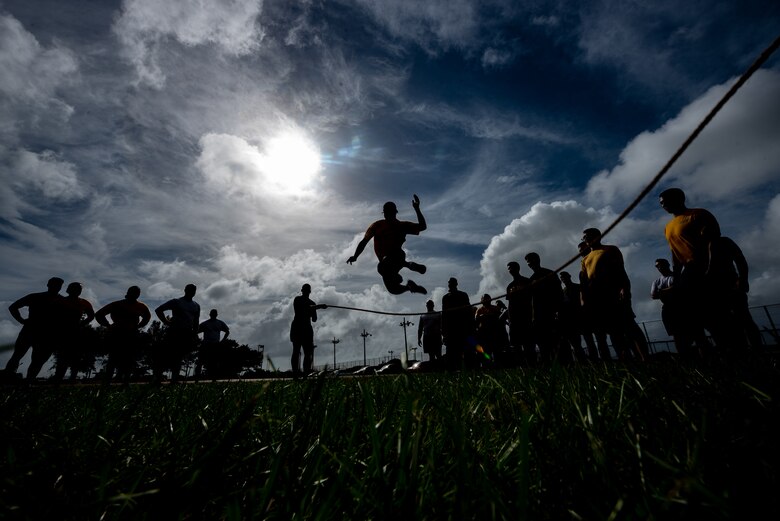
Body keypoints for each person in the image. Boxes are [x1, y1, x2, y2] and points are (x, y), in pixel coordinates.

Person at [659, 187, 729, 351]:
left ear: (679, 199)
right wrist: (677, 278)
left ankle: (732, 351)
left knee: (714, 314)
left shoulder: (698, 214)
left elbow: (714, 242)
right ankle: (706, 352)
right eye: (661, 203)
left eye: (665, 202)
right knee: (692, 316)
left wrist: (711, 268)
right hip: (687, 273)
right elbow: (675, 253)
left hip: (706, 267)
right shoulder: (668, 227)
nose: (663, 205)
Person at [347, 195, 428, 295]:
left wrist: (417, 209)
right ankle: (410, 286)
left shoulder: (390, 225)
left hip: (395, 257)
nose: (388, 216)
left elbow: (422, 227)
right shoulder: (381, 226)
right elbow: (364, 242)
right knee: (393, 289)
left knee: (382, 267)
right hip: (390, 264)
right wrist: (355, 256)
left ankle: (407, 265)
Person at [580, 229, 633, 361]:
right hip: (596, 298)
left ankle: (630, 357)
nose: (586, 239)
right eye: (584, 238)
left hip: (611, 293)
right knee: (601, 332)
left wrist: (624, 288)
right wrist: (584, 300)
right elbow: (585, 282)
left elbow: (621, 270)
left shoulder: (610, 250)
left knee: (621, 330)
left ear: (598, 236)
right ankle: (610, 361)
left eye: (589, 236)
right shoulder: (586, 258)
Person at [4, 277, 64, 380]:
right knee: (18, 356)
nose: (56, 287)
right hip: (30, 331)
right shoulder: (36, 297)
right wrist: (22, 320)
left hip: (45, 334)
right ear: (48, 285)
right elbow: (13, 307)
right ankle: (10, 379)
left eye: (58, 285)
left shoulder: (62, 301)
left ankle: (28, 382)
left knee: (37, 360)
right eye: (54, 285)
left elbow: (66, 319)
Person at [708, 236, 763, 349]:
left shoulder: (723, 241)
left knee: (744, 318)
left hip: (729, 282)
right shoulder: (696, 245)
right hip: (712, 288)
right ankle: (742, 351)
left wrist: (743, 279)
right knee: (728, 322)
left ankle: (757, 350)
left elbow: (740, 259)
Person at [95, 286, 152, 382]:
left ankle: (124, 381)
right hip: (117, 333)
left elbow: (147, 317)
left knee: (129, 358)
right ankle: (107, 381)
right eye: (133, 292)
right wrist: (108, 325)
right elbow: (99, 314)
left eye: (137, 293)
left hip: (131, 334)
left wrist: (139, 326)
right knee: (113, 357)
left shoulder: (141, 306)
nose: (135, 294)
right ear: (128, 292)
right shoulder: (117, 304)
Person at [154, 284, 200, 382]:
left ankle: (174, 379)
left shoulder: (196, 305)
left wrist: (194, 334)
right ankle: (157, 378)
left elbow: (196, 321)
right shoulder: (176, 302)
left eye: (193, 290)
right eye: (189, 290)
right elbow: (158, 310)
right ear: (185, 290)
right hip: (174, 332)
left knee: (179, 356)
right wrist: (166, 322)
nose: (191, 292)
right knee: (166, 354)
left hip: (186, 333)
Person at [525, 253, 564, 362]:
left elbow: (559, 292)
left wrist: (558, 309)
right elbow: (531, 300)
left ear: (538, 260)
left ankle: (562, 364)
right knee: (542, 342)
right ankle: (547, 365)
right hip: (538, 314)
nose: (530, 264)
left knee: (556, 340)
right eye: (528, 262)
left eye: (532, 261)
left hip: (551, 311)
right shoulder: (531, 280)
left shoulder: (549, 273)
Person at [52, 282, 95, 380]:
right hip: (61, 331)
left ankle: (67, 378)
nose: (76, 291)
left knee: (72, 355)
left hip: (75, 332)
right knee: (61, 355)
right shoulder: (60, 301)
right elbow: (52, 314)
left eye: (78, 289)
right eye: (74, 289)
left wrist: (81, 324)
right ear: (68, 290)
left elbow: (91, 315)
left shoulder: (84, 302)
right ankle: (58, 377)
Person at [290, 284, 327, 375]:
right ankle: (295, 373)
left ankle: (305, 374)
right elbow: (301, 309)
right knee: (296, 351)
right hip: (298, 328)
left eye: (307, 290)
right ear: (302, 291)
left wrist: (316, 308)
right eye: (305, 290)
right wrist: (318, 306)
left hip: (307, 329)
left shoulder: (313, 303)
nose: (306, 292)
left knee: (307, 353)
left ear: (309, 292)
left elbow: (314, 319)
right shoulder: (298, 299)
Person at [559, 271, 595, 361]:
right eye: (562, 278)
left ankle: (594, 359)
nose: (563, 279)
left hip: (582, 317)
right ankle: (584, 361)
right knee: (577, 343)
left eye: (565, 277)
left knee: (588, 340)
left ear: (569, 276)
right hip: (572, 319)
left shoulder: (578, 287)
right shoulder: (564, 292)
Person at [441, 277, 475, 367]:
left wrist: (471, 326)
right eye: (449, 282)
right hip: (451, 328)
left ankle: (469, 368)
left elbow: (468, 311)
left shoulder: (463, 295)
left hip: (463, 326)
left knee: (466, 349)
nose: (450, 284)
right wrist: (444, 331)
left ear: (456, 284)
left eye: (452, 282)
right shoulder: (445, 298)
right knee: (452, 351)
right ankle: (454, 369)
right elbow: (444, 315)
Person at [505, 261, 535, 365]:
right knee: (516, 344)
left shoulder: (527, 281)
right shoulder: (510, 286)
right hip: (514, 318)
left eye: (512, 268)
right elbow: (510, 304)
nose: (510, 270)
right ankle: (521, 367)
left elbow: (532, 298)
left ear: (517, 268)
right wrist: (510, 318)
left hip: (526, 316)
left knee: (529, 343)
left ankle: (532, 365)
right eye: (509, 269)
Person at [196, 309, 230, 379]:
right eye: (212, 314)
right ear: (210, 314)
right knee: (200, 361)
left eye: (214, 314)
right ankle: (197, 378)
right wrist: (198, 341)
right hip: (206, 344)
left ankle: (214, 378)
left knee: (214, 361)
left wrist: (222, 341)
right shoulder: (205, 323)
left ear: (216, 315)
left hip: (215, 345)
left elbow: (227, 331)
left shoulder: (220, 323)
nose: (213, 315)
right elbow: (196, 331)